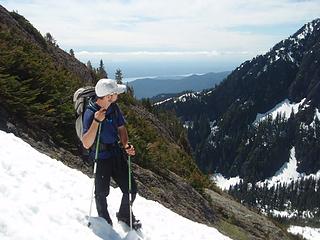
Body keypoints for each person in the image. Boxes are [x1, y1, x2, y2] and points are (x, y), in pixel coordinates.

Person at [82, 78, 140, 228]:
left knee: (131, 189)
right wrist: (96, 121)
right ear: (108, 96)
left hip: (115, 152)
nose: (117, 96)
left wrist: (126, 145)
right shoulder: (90, 113)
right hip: (100, 158)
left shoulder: (114, 108)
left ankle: (124, 215)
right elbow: (86, 143)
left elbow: (121, 128)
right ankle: (104, 221)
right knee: (101, 193)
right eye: (115, 94)